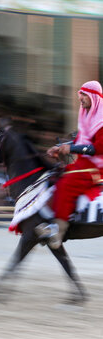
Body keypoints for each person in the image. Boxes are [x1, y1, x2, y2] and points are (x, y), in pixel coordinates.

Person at [40, 81, 103, 248]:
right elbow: (80, 141)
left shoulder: (101, 118)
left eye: (84, 95)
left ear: (94, 97)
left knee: (67, 183)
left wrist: (71, 148)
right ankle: (51, 220)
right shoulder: (87, 115)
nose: (80, 98)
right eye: (80, 94)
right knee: (53, 177)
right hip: (84, 163)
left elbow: (98, 147)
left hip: (97, 168)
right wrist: (60, 148)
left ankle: (59, 232)